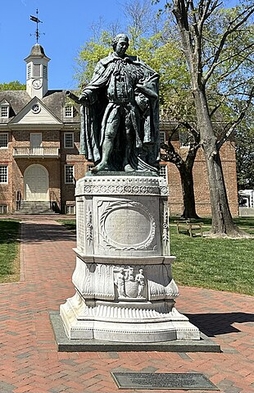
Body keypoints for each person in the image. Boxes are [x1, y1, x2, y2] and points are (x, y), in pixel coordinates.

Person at [79, 33, 160, 173]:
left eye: (126, 44)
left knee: (129, 135)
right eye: (121, 43)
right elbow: (95, 84)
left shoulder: (134, 64)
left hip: (130, 106)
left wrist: (143, 88)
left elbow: (152, 77)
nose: (124, 46)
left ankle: (127, 162)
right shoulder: (105, 64)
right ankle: (104, 161)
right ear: (114, 44)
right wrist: (86, 94)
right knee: (109, 133)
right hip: (113, 105)